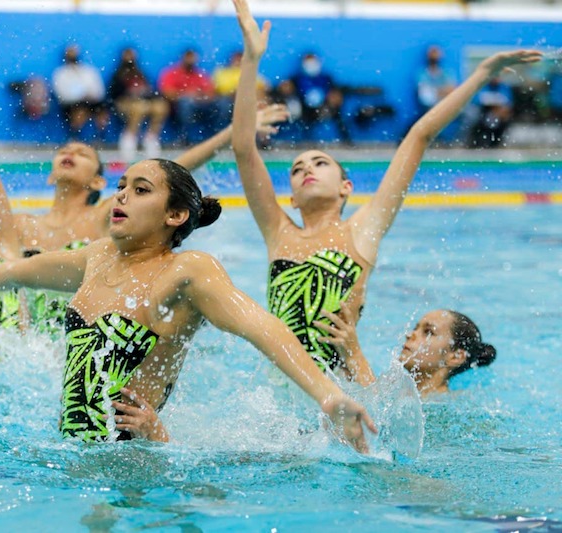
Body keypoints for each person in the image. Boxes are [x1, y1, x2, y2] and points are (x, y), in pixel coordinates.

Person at [0, 19, 289, 372]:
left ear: (102, 181)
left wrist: (230, 135)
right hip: (16, 345)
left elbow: (173, 174)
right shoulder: (20, 230)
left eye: (81, 153)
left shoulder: (110, 220)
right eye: (64, 149)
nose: (68, 153)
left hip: (67, 346)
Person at [0, 157, 376, 450]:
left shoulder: (187, 272)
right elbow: (28, 270)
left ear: (174, 215)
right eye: (121, 187)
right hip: (71, 453)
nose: (121, 197)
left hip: (138, 466)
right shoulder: (98, 257)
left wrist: (328, 396)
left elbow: (262, 328)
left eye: (140, 190)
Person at [230, 0, 540, 382]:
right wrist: (251, 60)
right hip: (275, 397)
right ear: (290, 196)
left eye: (320, 163)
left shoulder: (362, 230)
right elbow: (244, 147)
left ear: (346, 188)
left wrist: (480, 75)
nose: (307, 168)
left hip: (341, 389)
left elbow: (419, 135)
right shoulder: (278, 232)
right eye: (297, 169)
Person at [315, 305, 496, 396]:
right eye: (416, 328)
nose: (411, 334)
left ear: (455, 356)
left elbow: (378, 414)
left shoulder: (444, 407)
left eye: (428, 332)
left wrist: (354, 354)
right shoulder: (399, 392)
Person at [108, 47, 170, 161]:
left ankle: (151, 137)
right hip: (124, 102)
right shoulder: (117, 74)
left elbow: (150, 89)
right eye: (127, 55)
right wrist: (131, 94)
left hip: (143, 101)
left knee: (161, 106)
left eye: (132, 55)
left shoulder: (140, 73)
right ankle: (130, 137)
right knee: (140, 107)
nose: (130, 58)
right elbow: (114, 94)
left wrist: (143, 92)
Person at [278, 51, 350, 144]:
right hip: (304, 108)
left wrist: (333, 100)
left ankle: (347, 141)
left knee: (337, 112)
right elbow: (286, 89)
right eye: (308, 63)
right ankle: (301, 141)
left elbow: (335, 93)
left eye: (313, 62)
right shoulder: (297, 78)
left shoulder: (326, 78)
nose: (311, 65)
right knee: (292, 112)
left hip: (322, 107)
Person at [158, 49, 221, 145]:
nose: (191, 60)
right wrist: (186, 94)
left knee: (222, 104)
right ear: (183, 58)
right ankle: (185, 137)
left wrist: (200, 96)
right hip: (178, 106)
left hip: (201, 104)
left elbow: (210, 92)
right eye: (189, 57)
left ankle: (219, 137)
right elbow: (167, 93)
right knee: (186, 103)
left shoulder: (200, 74)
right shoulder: (172, 73)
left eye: (193, 58)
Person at [51, 44, 110, 142]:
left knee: (102, 109)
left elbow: (99, 91)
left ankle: (100, 138)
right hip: (71, 104)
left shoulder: (89, 71)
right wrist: (79, 96)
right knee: (80, 110)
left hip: (92, 102)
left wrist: (90, 95)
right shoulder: (60, 73)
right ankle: (75, 137)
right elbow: (61, 95)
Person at [467, 76, 514, 148]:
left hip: (499, 114)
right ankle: (474, 142)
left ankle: (496, 142)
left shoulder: (504, 87)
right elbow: (476, 101)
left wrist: (498, 110)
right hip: (482, 112)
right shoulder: (482, 86)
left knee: (505, 117)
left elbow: (508, 104)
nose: (495, 79)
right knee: (475, 116)